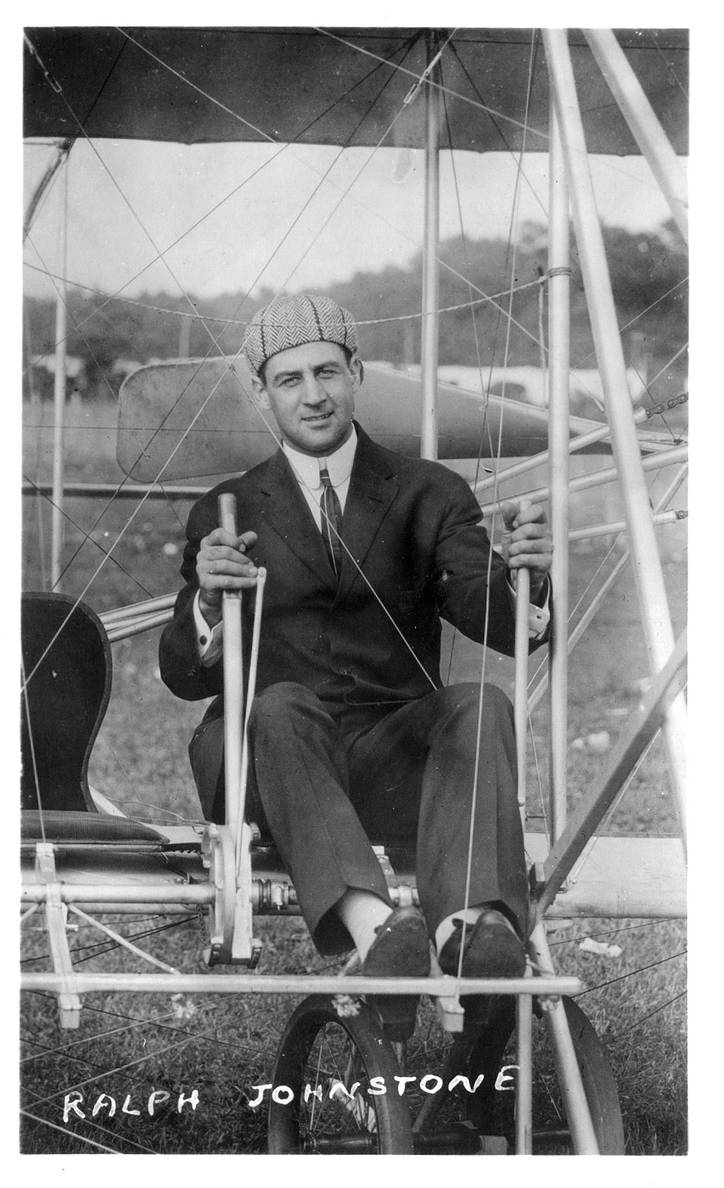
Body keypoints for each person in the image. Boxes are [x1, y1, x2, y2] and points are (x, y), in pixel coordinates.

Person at [159, 294, 552, 1017]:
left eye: (327, 372)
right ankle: (381, 933)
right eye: (290, 380)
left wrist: (526, 577)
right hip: (268, 763)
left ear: (357, 372)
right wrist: (210, 605)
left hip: (388, 768)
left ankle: (473, 927)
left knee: (480, 702)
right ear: (261, 394)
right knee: (279, 703)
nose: (313, 396)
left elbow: (492, 617)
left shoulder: (429, 492)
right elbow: (184, 675)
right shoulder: (228, 508)